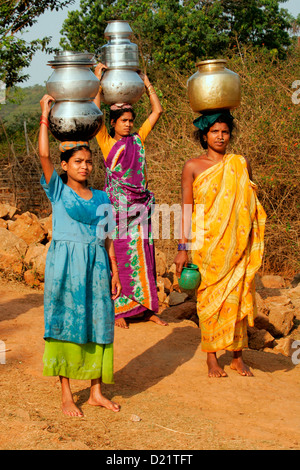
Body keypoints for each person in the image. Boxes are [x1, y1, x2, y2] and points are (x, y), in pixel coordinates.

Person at [39, 94, 122, 417]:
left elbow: (108, 236)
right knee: (65, 323)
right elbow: (44, 153)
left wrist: (114, 268)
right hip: (65, 265)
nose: (85, 166)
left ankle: (96, 392)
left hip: (96, 264)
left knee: (98, 323)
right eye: (77, 162)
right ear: (65, 165)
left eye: (88, 162)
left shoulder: (102, 196)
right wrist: (45, 115)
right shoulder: (57, 190)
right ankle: (66, 394)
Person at [174, 111, 266, 378]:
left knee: (237, 298)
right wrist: (183, 248)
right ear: (205, 136)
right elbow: (186, 208)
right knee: (209, 300)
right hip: (207, 244)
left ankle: (237, 357)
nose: (220, 136)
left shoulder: (239, 163)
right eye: (214, 132)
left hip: (236, 244)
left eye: (225, 132)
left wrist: (248, 235)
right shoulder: (192, 166)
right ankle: (212, 357)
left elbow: (248, 203)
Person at [93, 63, 168, 329]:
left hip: (141, 207)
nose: (128, 125)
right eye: (123, 121)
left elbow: (157, 111)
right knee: (121, 256)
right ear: (112, 123)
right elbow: (94, 111)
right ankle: (121, 310)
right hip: (117, 209)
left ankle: (147, 308)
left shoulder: (137, 140)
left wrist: (147, 84)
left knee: (145, 256)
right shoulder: (106, 141)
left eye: (131, 121)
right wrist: (98, 79)